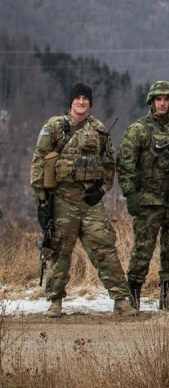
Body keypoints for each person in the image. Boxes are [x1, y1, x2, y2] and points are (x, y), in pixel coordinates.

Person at [29, 83, 138, 318]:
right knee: (59, 251)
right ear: (71, 102)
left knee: (105, 248)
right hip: (61, 200)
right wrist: (41, 201)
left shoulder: (98, 129)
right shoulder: (55, 126)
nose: (81, 102)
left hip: (89, 201)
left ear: (90, 103)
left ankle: (121, 300)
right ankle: (55, 301)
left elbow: (109, 164)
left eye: (85, 99)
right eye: (77, 98)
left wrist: (101, 190)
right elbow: (39, 161)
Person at [118, 80, 169, 311]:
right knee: (142, 248)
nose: (162, 103)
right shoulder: (139, 129)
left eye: (166, 100)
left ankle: (168, 295)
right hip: (149, 201)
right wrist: (130, 194)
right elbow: (125, 164)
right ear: (152, 101)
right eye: (158, 99)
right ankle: (133, 296)